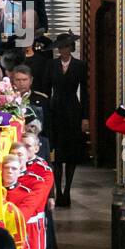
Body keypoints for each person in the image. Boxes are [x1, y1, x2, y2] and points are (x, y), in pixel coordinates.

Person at [45, 31, 88, 206]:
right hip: (55, 108)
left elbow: (85, 92)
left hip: (72, 109)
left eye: (66, 47)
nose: (63, 50)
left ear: (71, 48)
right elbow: (47, 91)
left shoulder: (80, 65)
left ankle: (68, 190)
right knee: (57, 154)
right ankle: (58, 191)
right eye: (60, 47)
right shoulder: (51, 65)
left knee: (71, 153)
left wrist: (85, 117)